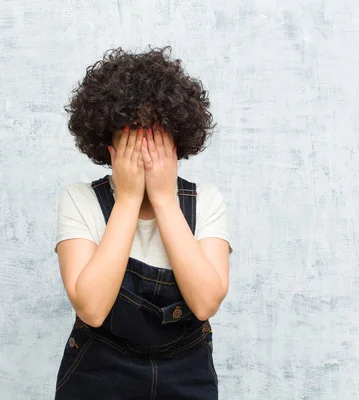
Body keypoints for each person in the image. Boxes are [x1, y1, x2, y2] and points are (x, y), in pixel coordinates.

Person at [54, 46, 231, 399]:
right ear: (109, 144)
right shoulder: (81, 200)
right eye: (134, 136)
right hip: (98, 373)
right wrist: (130, 198)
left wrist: (165, 199)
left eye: (156, 135)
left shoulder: (206, 201)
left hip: (186, 375)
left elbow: (206, 302)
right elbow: (91, 307)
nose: (146, 148)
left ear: (177, 141)